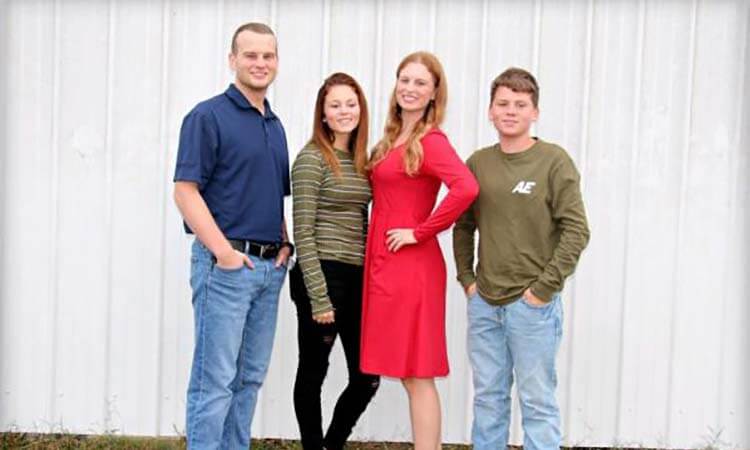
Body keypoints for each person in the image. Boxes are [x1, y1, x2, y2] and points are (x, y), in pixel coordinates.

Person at [452, 67, 590, 450]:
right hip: (485, 304)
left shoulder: (553, 161)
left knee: (537, 402)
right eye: (503, 104)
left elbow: (577, 230)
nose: (510, 111)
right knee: (488, 399)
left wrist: (543, 290)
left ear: (535, 112)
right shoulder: (478, 163)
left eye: (520, 104)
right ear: (490, 111)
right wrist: (468, 280)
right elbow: (463, 225)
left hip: (532, 308)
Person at [172, 22, 293, 450]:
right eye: (251, 55)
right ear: (233, 60)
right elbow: (184, 191)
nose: (260, 63)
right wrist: (223, 253)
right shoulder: (208, 116)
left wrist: (283, 243)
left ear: (277, 61)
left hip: (267, 270)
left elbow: (270, 194)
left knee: (248, 381)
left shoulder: (274, 125)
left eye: (268, 55)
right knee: (214, 382)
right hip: (226, 268)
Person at [360, 51, 479, 449]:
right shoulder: (393, 138)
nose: (410, 89)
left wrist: (421, 231)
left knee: (417, 372)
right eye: (404, 80)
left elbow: (466, 187)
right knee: (408, 372)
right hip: (385, 265)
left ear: (434, 95)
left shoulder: (431, 140)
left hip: (412, 269)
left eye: (420, 83)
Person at [289, 72, 380, 450]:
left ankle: (332, 444)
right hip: (321, 273)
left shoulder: (362, 161)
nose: (344, 111)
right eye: (335, 105)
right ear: (322, 114)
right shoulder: (312, 159)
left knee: (367, 375)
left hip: (357, 278)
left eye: (351, 103)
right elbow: (303, 231)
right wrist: (320, 297)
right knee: (314, 372)